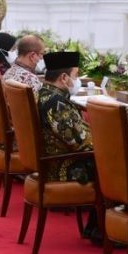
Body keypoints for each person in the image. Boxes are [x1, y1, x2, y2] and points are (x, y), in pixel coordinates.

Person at [38, 51, 93, 183]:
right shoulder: (57, 104)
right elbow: (80, 143)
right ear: (64, 77)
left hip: (49, 162)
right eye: (76, 75)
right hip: (64, 167)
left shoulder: (42, 92)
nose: (77, 80)